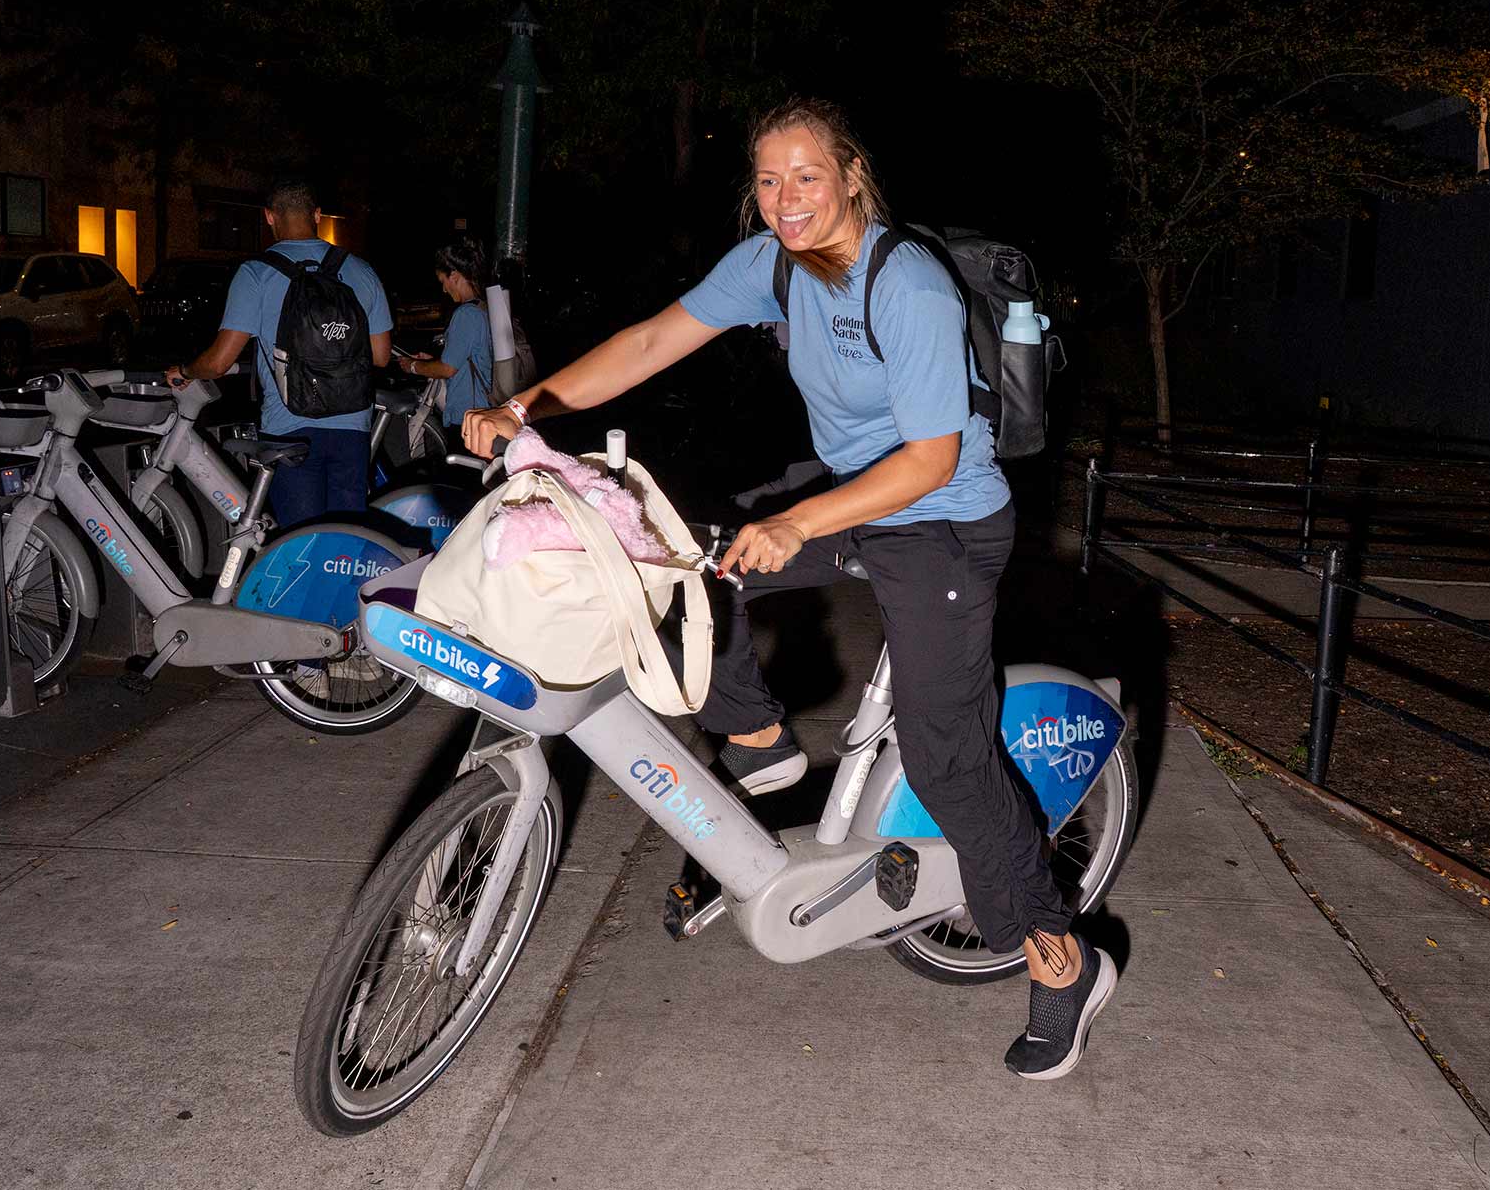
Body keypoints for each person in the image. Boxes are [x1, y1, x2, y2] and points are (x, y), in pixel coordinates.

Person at [461, 97, 1114, 1080]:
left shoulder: (908, 286)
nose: (784, 199)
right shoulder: (773, 263)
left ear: (850, 173)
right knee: (677, 563)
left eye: (805, 176)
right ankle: (762, 749)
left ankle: (1062, 961)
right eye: (767, 180)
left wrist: (800, 521)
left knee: (946, 758)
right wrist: (521, 405)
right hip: (853, 501)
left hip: (942, 519)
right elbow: (647, 343)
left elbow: (933, 457)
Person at [168, 179, 393, 528]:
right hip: (353, 426)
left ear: (270, 217)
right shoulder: (361, 271)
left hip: (290, 427)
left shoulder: (257, 274)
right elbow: (380, 356)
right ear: (317, 215)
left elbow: (218, 362)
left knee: (298, 543)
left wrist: (185, 370)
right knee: (344, 545)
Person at [394, 238, 495, 429]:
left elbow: (447, 369)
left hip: (469, 416)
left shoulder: (466, 314)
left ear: (454, 276)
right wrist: (430, 361)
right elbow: (466, 359)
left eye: (443, 281)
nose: (443, 289)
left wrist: (413, 366)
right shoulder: (484, 308)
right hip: (483, 413)